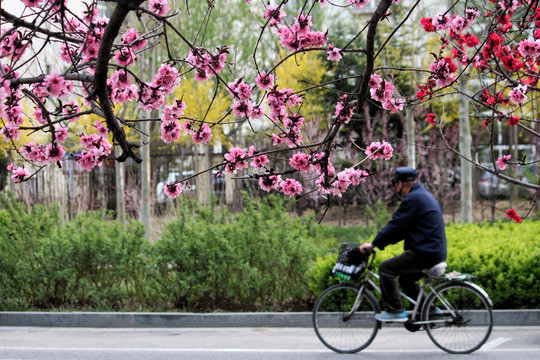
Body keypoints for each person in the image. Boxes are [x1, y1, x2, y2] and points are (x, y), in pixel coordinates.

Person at [360, 167, 447, 322]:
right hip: (433, 250)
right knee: (406, 280)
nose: (394, 188)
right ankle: (431, 312)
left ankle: (395, 311)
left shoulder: (414, 198)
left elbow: (396, 225)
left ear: (400, 183)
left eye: (394, 184)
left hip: (424, 252)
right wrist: (381, 242)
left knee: (385, 269)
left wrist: (374, 244)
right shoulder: (421, 195)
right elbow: (401, 230)